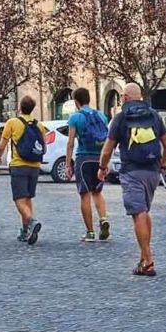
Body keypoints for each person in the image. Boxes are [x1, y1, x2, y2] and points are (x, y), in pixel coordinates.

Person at [97, 82, 166, 277]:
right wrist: (162, 163)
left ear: (125, 97)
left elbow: (107, 149)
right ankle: (143, 257)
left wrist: (102, 168)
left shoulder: (121, 117)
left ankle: (148, 261)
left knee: (138, 213)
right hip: (152, 172)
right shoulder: (154, 115)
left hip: (131, 171)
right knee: (144, 212)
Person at [0, 95, 48, 245]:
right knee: (28, 198)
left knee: (19, 199)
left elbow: (2, 145)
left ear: (20, 107)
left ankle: (31, 221)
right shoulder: (39, 125)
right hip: (34, 167)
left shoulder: (12, 122)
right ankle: (26, 231)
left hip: (19, 165)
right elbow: (44, 148)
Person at [64, 87, 111, 242]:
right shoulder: (101, 116)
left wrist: (68, 164)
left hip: (83, 158)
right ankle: (103, 219)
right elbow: (107, 140)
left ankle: (90, 232)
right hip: (99, 158)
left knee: (85, 195)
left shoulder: (75, 117)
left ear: (76, 101)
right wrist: (106, 162)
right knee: (97, 192)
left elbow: (70, 143)